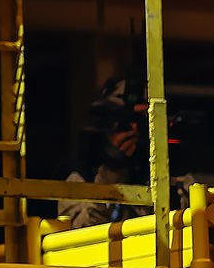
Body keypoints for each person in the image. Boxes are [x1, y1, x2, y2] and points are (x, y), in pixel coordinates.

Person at [59, 76, 192, 231]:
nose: (133, 130)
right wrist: (111, 172)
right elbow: (82, 234)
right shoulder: (79, 181)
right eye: (124, 123)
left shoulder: (177, 180)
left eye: (141, 122)